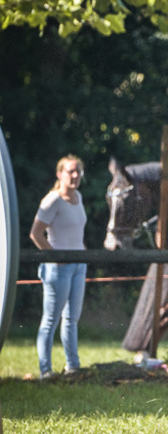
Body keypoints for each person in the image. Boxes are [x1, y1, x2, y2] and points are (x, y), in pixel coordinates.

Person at [29, 155, 88, 379]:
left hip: (79, 265)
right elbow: (36, 233)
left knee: (72, 318)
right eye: (70, 171)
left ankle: (73, 366)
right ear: (59, 174)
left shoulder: (79, 197)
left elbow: (75, 231)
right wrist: (55, 256)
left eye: (78, 172)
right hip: (57, 268)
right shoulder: (52, 200)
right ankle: (45, 371)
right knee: (50, 320)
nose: (74, 176)